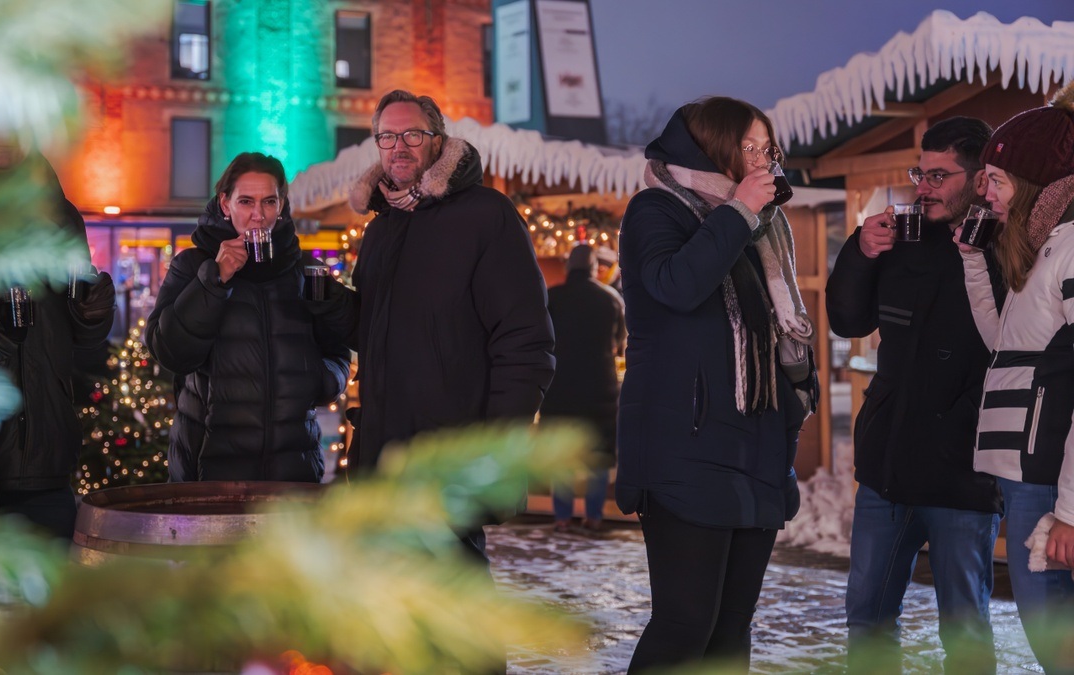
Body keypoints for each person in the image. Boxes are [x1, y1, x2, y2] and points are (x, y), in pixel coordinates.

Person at [307, 89, 555, 563]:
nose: (398, 146)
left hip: (453, 449)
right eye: (387, 136)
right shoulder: (381, 228)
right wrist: (327, 302)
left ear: (438, 141)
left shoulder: (486, 215)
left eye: (412, 134)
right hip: (385, 446)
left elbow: (526, 341)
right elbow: (374, 331)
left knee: (455, 596)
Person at [615, 96, 818, 672]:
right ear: (713, 147)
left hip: (753, 448)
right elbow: (675, 287)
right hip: (686, 446)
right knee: (685, 625)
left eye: (766, 148)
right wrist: (737, 213)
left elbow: (774, 330)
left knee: (731, 630)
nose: (761, 160)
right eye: (748, 147)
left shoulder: (758, 228)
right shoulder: (657, 209)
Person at [826, 116, 1003, 672]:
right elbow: (846, 320)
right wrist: (859, 250)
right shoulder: (900, 238)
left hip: (964, 469)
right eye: (919, 173)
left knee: (965, 624)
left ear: (978, 179)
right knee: (867, 615)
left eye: (939, 175)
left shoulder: (1006, 248)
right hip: (889, 466)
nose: (922, 186)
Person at [0, 103, 116, 540]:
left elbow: (85, 341)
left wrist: (92, 309)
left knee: (50, 606)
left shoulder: (59, 213)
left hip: (46, 460)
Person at [956, 83, 1074, 673]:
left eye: (997, 181)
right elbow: (1001, 347)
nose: (988, 195)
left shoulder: (1073, 247)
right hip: (1023, 475)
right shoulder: (1043, 248)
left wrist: (1072, 509)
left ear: (1033, 185)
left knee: (1056, 646)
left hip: (1047, 480)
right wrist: (974, 262)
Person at [145, 152, 350, 483]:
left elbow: (338, 351)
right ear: (225, 204)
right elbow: (169, 352)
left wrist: (319, 381)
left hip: (292, 472)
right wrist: (214, 281)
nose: (259, 215)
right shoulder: (194, 266)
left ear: (282, 205)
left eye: (269, 201)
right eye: (246, 202)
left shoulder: (306, 272)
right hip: (210, 471)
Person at [542, 244, 625, 534]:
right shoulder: (611, 299)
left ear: (568, 268)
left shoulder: (550, 298)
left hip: (558, 388)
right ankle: (594, 516)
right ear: (594, 268)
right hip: (599, 389)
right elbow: (620, 344)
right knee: (599, 456)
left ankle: (562, 517)